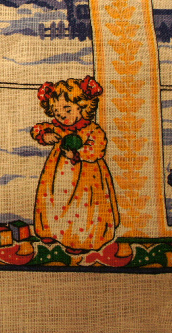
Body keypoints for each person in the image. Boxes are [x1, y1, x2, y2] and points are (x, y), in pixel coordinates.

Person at [29, 76, 119, 253]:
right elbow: (37, 129)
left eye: (67, 109)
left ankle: (80, 239)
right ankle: (50, 230)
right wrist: (46, 136)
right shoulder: (58, 127)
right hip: (57, 172)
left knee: (82, 204)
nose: (61, 114)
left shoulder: (91, 129)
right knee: (53, 199)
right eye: (56, 111)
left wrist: (78, 154)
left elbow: (98, 147)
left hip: (86, 175)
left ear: (82, 107)